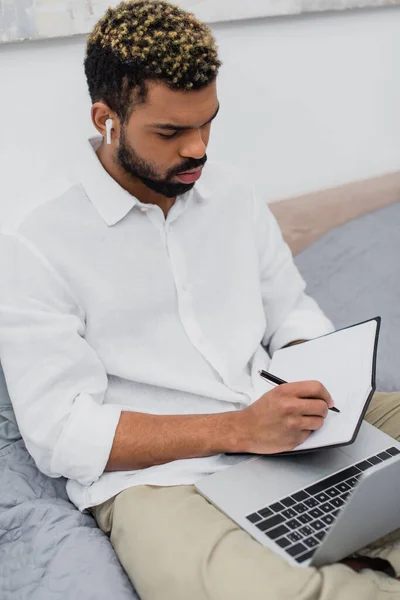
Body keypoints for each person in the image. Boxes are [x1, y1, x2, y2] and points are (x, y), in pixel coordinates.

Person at [0, 1, 399, 598]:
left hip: (281, 418)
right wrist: (239, 429)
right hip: (154, 481)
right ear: (106, 118)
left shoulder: (232, 193)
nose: (198, 149)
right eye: (170, 132)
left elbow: (289, 308)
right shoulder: (34, 241)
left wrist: (311, 375)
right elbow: (62, 433)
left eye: (208, 122)